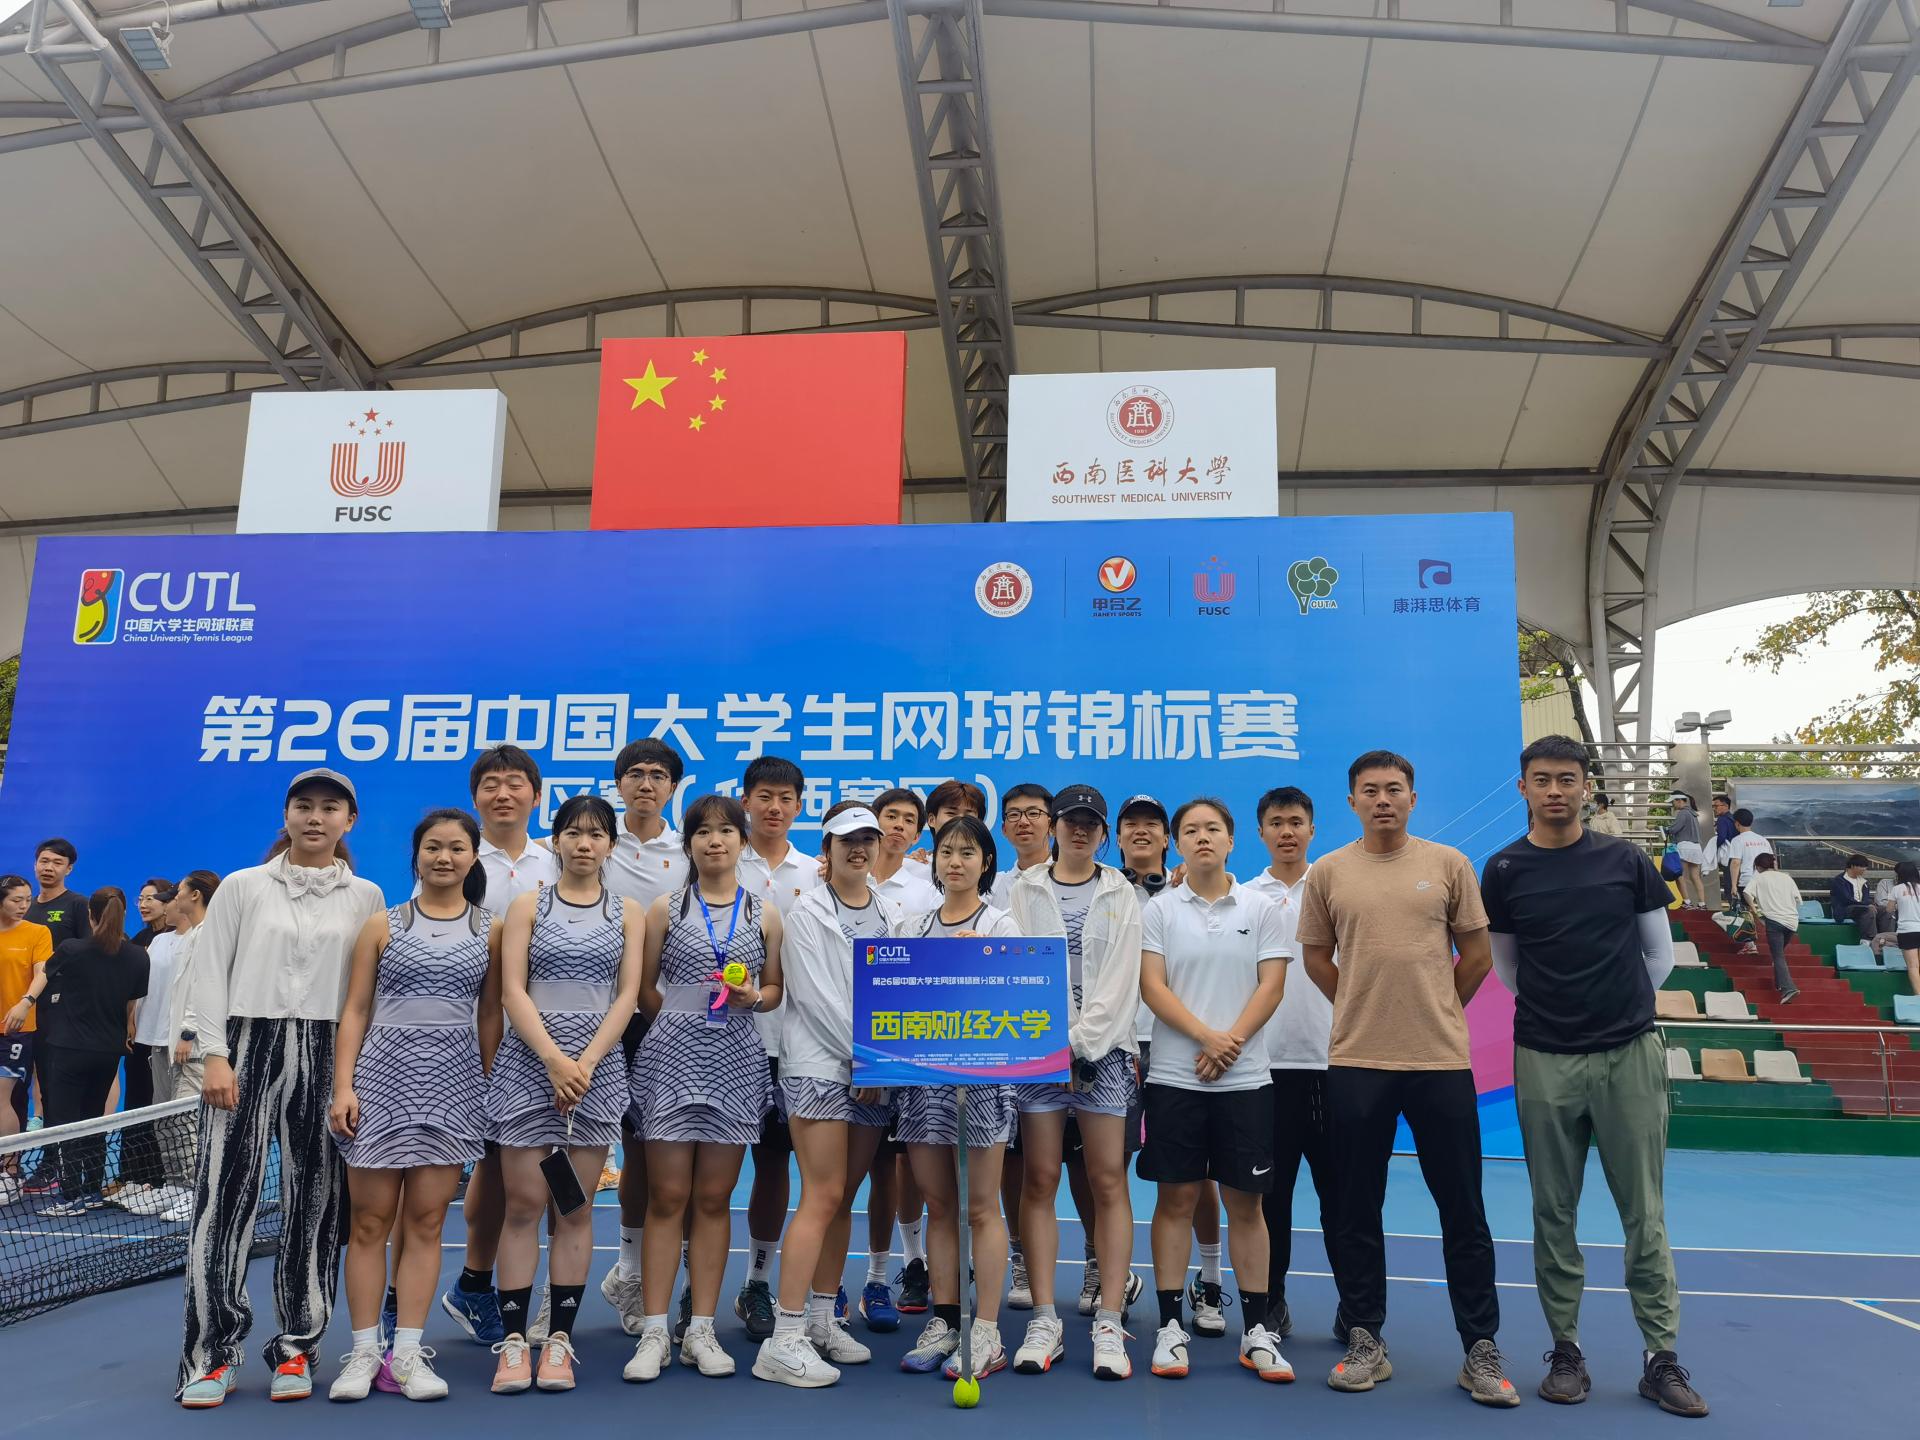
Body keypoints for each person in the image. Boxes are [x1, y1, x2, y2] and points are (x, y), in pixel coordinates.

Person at [1482, 735, 1707, 1418]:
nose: (1555, 790)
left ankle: (1660, 1358)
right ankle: (1566, 1351)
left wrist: (1616, 1012)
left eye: (1567, 778)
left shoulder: (1625, 860)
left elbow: (1658, 956)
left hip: (1628, 1053)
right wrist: (1561, 1014)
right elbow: (1507, 966)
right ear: (1523, 788)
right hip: (1543, 1057)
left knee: (1645, 1213)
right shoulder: (1504, 869)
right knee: (1553, 1211)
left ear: (1585, 786)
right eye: (1542, 779)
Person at [1298, 750, 1515, 1405]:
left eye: (1394, 789)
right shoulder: (1328, 872)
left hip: (1439, 1062)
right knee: (1356, 1207)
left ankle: (1480, 1350)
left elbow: (1477, 955)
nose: (1383, 800)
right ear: (1352, 801)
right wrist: (1359, 1004)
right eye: (1370, 790)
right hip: (1358, 1062)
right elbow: (1316, 956)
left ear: (1412, 799)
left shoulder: (1448, 864)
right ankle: (1367, 1339)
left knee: (1464, 1210)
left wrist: (1438, 1006)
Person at [177, 767, 385, 1407]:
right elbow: (209, 971)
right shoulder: (242, 886)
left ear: (349, 821)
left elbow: (366, 992)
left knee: (316, 1204)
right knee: (223, 1200)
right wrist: (216, 1055)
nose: (316, 817)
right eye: (304, 806)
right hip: (246, 1047)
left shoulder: (367, 896)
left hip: (330, 1052)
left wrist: (351, 1077)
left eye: (330, 808)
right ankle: (211, 1356)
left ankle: (297, 1347)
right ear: (287, 815)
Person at [329, 809, 503, 1403]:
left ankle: (406, 1353)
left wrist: (483, 1087)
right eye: (433, 847)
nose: (444, 857)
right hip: (380, 1083)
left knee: (427, 1223)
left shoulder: (491, 930)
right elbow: (355, 1009)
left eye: (456, 847)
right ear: (417, 854)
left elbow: (489, 1014)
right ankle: (362, 1354)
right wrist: (344, 1086)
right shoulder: (382, 925)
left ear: (473, 856)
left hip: (453, 1087)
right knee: (368, 1223)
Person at [486, 793, 645, 1395]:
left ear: (610, 846)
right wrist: (554, 1060)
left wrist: (586, 1063)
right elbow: (512, 991)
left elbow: (627, 995)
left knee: (575, 1211)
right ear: (555, 841)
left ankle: (559, 1341)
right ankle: (512, 1343)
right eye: (573, 833)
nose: (584, 843)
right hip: (529, 1068)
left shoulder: (628, 912)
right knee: (523, 1207)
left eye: (596, 834)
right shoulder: (528, 905)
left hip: (595, 1075)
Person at [625, 793, 783, 1383]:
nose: (715, 841)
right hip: (671, 1060)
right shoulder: (666, 908)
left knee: (715, 1199)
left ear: (742, 842)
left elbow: (774, 990)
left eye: (726, 832)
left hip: (736, 1061)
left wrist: (752, 998)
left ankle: (701, 1330)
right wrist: (680, 1022)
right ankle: (654, 1332)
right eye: (702, 832)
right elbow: (644, 989)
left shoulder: (764, 914)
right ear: (688, 843)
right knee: (667, 1197)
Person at [1139, 798, 1291, 1385]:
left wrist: (1231, 1044)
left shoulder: (1261, 907)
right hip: (1175, 1078)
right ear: (1177, 843)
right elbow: (1153, 987)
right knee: (1175, 1201)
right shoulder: (1160, 909)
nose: (1202, 838)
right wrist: (1207, 1038)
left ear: (1231, 840)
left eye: (1212, 829)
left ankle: (1256, 1332)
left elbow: (1271, 985)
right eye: (1190, 831)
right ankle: (1169, 1328)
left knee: (1246, 1206)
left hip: (1245, 1080)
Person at [752, 803, 902, 1388]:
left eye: (868, 839)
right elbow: (816, 1000)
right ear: (828, 849)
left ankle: (821, 1318)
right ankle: (784, 1338)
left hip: (873, 1072)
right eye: (847, 840)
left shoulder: (890, 912)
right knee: (820, 1195)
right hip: (821, 1066)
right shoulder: (808, 912)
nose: (858, 849)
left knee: (842, 1198)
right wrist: (868, 1058)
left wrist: (880, 1063)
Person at [1007, 784, 1143, 1382]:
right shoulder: (1023, 889)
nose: (1080, 830)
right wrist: (1051, 1045)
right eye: (1070, 821)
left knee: (1107, 1179)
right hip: (1037, 1050)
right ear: (1055, 827)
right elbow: (1016, 967)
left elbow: (1120, 981)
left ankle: (1109, 1321)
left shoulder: (1121, 891)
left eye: (1091, 823)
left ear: (1103, 833)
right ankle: (1044, 1320)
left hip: (1103, 1054)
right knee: (1039, 1178)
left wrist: (1080, 1045)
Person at [439, 744, 559, 1350]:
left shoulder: (558, 860)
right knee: (487, 1165)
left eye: (515, 783)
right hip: (476, 1039)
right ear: (475, 796)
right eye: (491, 784)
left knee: (556, 1167)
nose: (503, 793)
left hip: (554, 1047)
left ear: (536, 795)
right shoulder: (458, 857)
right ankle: (474, 1281)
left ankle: (555, 1297)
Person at [895, 815, 1019, 1380]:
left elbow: (1020, 1005)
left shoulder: (1002, 926)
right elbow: (892, 1003)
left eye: (968, 853)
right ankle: (945, 1320)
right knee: (940, 1205)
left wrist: (986, 961)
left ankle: (986, 1329)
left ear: (986, 863)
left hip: (983, 1083)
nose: (955, 862)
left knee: (981, 1207)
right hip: (923, 1083)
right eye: (947, 851)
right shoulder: (911, 928)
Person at [601, 739, 693, 1340]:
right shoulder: (594, 842)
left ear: (672, 788)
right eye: (634, 774)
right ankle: (625, 1270)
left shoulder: (686, 851)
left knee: (654, 1151)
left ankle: (643, 1276)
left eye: (658, 775)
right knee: (598, 1150)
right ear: (619, 784)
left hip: (662, 1017)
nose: (645, 784)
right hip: (597, 1017)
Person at [1245, 786, 1340, 1343]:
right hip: (1265, 1070)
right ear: (1261, 832)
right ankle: (1271, 1302)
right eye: (1277, 822)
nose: (1287, 831)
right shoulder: (1244, 897)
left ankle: (1357, 1308)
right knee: (1270, 1201)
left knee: (1343, 1200)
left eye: (1296, 821)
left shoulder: (1335, 887)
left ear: (1312, 829)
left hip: (1333, 1064)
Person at [1118, 794, 1214, 1326]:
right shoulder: (1104, 891)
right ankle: (1111, 1274)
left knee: (1197, 1171)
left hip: (1178, 1045)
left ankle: (1210, 1279)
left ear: (1166, 837)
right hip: (1118, 1046)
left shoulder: (1191, 892)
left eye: (1151, 823)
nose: (1141, 830)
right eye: (1130, 823)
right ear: (1118, 836)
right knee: (1110, 1168)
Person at [732, 755, 818, 1340]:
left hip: (793, 1044)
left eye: (786, 798)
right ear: (745, 801)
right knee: (703, 1177)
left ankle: (757, 1283)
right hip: (723, 1040)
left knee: (774, 1165)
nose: (774, 807)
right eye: (764, 796)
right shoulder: (717, 860)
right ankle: (689, 1295)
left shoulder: (815, 871)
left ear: (800, 806)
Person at [21, 888, 148, 1215]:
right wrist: (128, 1027)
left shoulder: (71, 949)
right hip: (109, 1050)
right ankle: (91, 1191)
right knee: (93, 1120)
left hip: (69, 1048)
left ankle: (69, 1196)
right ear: (123, 914)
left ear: (90, 915)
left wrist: (25, 1003)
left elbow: (45, 975)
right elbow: (131, 1003)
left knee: (65, 1122)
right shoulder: (138, 955)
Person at [118, 883, 189, 1204]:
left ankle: (183, 1185)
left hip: (181, 1043)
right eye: (142, 898)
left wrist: (187, 1035)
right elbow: (140, 988)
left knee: (182, 1118)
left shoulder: (200, 939)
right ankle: (154, 1180)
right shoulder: (155, 941)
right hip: (150, 1041)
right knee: (154, 1113)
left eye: (155, 899)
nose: (145, 904)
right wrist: (132, 1020)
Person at [0, 874, 54, 1177]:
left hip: (15, 1030)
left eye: (27, 900)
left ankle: (9, 1171)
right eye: (16, 900)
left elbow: (42, 972)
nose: (23, 905)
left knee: (2, 1099)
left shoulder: (37, 933)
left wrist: (26, 1002)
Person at [1748, 854, 1804, 1006]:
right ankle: (1780, 983)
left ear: (1758, 866)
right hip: (1792, 922)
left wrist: (1755, 911)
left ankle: (1788, 988)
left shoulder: (1758, 878)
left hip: (1773, 920)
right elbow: (1798, 900)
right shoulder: (1786, 877)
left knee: (1778, 956)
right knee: (1778, 955)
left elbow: (1747, 893)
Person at [28, 839, 89, 947]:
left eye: (57, 863)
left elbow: (89, 948)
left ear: (69, 869)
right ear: (35, 865)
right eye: (44, 861)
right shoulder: (25, 907)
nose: (48, 868)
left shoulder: (79, 904)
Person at [1829, 856, 1892, 957]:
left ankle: (1885, 940)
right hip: (1845, 909)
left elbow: (1866, 899)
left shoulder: (1864, 882)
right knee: (1868, 910)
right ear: (1853, 866)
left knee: (1886, 910)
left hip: (1862, 908)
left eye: (1865, 866)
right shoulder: (1839, 881)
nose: (1864, 869)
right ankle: (1868, 941)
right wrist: (1867, 905)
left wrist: (1869, 904)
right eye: (1862, 866)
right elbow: (1846, 899)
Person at [1722, 809, 1772, 910]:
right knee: (1765, 908)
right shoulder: (1763, 840)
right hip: (1765, 880)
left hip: (1747, 881)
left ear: (1737, 823)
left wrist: (1733, 885)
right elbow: (1772, 862)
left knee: (1747, 910)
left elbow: (1735, 863)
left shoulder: (1737, 840)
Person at [1664, 795, 1707, 911]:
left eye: (1673, 802)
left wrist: (1663, 829)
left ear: (1679, 800)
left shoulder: (1682, 813)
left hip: (1684, 847)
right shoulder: (1693, 814)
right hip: (1696, 847)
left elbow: (1674, 829)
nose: (1672, 804)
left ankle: (1687, 902)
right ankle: (1702, 904)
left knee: (1679, 875)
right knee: (1695, 877)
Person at [1887, 861, 1920, 999]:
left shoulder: (1897, 889)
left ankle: (1919, 996)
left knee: (1913, 967)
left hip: (1907, 930)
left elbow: (1889, 909)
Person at [1711, 798, 1736, 908]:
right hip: (1737, 855)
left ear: (1725, 806)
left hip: (1728, 856)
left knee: (1729, 883)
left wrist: (1713, 848)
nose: (1714, 809)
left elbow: (1721, 837)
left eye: (1716, 806)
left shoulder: (1722, 819)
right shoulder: (1734, 819)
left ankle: (1733, 908)